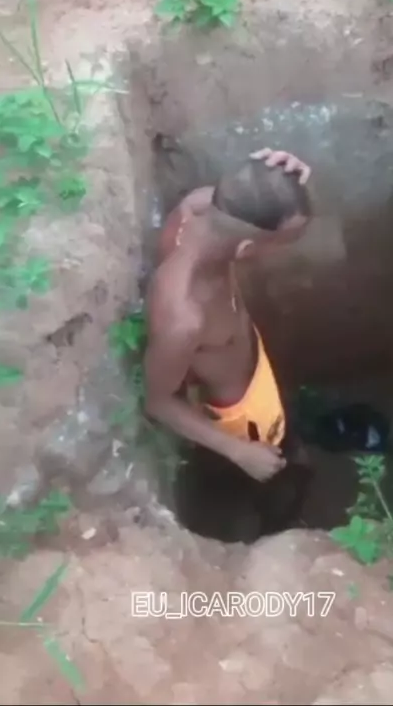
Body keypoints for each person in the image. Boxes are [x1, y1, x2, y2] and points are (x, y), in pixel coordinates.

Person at [143, 147, 314, 542]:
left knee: (287, 446)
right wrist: (239, 452)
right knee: (275, 480)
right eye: (283, 243)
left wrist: (288, 181)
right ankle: (271, 522)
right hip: (240, 422)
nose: (286, 250)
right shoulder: (184, 319)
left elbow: (247, 194)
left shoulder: (199, 209)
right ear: (246, 250)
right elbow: (158, 402)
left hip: (255, 375)